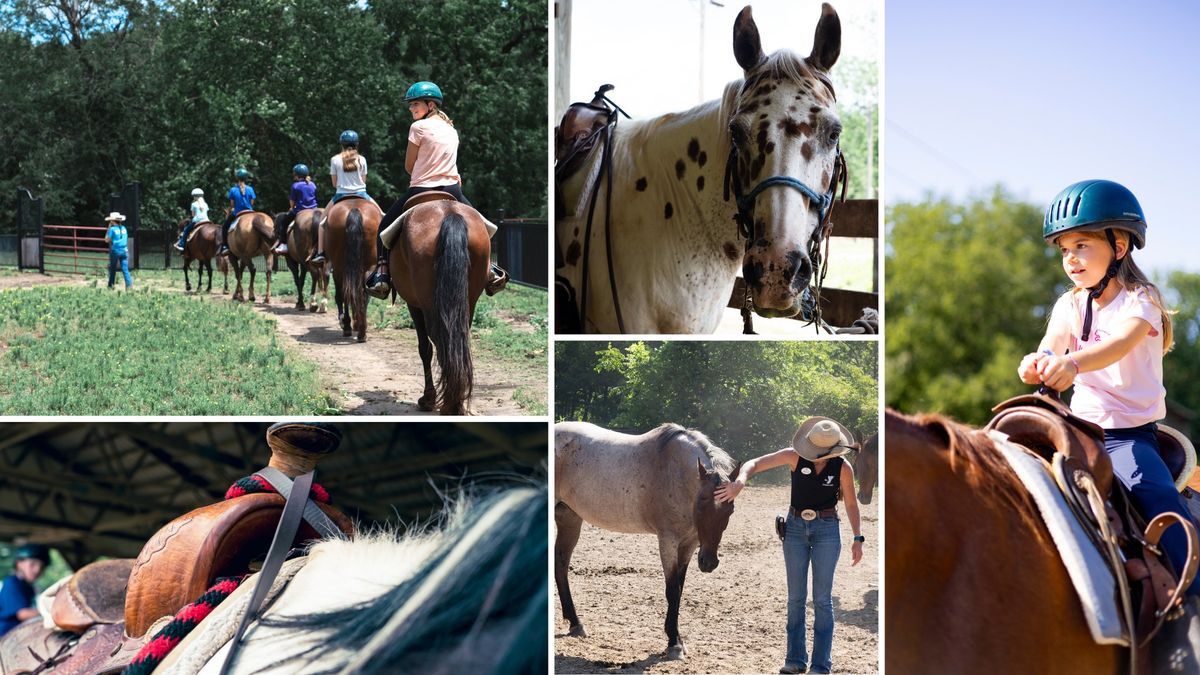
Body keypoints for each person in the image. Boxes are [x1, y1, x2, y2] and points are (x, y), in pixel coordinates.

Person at [1017, 178, 1197, 595]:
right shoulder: (1069, 304)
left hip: (1127, 436)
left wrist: (1071, 364)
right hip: (1077, 430)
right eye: (1065, 250)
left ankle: (1194, 592)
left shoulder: (1142, 300)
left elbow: (1116, 346)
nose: (1071, 259)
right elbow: (1050, 347)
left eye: (1082, 245)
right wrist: (1037, 362)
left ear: (1119, 248)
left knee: (1155, 499)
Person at [714, 417, 865, 674]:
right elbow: (755, 463)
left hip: (827, 529)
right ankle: (795, 660)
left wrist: (857, 537)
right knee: (796, 599)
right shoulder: (794, 456)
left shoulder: (843, 468)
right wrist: (741, 481)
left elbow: (851, 503)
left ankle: (820, 665)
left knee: (822, 600)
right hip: (795, 528)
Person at [363, 82, 507, 298]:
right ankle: (490, 268)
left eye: (415, 104)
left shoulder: (417, 128)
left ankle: (382, 273)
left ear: (431, 105)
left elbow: (409, 166)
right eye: (411, 105)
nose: (411, 109)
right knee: (482, 226)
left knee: (384, 225)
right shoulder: (451, 129)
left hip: (421, 188)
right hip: (453, 190)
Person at [310, 130, 380, 265]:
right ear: (357, 144)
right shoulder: (362, 159)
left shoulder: (335, 160)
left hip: (340, 195)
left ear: (341, 144)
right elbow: (364, 182)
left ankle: (320, 253)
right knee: (383, 216)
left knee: (322, 223)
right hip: (362, 194)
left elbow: (334, 184)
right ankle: (383, 255)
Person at [0, 543, 50, 637]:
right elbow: (23, 613)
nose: (37, 570)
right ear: (19, 564)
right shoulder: (12, 583)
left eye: (42, 566)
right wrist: (51, 613)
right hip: (6, 636)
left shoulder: (29, 587)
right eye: (33, 564)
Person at [273, 164, 319, 255]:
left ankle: (284, 244)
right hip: (314, 209)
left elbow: (292, 203)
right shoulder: (312, 184)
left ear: (296, 175)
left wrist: (291, 207)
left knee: (284, 222)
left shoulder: (296, 186)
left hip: (299, 210)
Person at [218, 167, 257, 256]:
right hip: (250, 212)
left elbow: (232, 205)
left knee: (225, 227)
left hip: (237, 213)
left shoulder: (233, 190)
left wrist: (230, 209)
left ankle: (225, 247)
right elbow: (252, 202)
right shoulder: (250, 189)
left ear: (237, 178)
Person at [104, 211, 133, 290]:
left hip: (115, 250)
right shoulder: (124, 228)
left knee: (112, 269)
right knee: (125, 269)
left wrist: (109, 228)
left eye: (110, 221)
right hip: (124, 250)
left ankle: (111, 286)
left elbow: (107, 240)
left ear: (113, 221)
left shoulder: (112, 229)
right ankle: (129, 286)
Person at [175, 187, 209, 252]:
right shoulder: (205, 204)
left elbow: (193, 215)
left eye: (193, 196)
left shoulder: (193, 204)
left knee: (186, 231)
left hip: (197, 221)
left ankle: (181, 245)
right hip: (207, 220)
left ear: (195, 197)